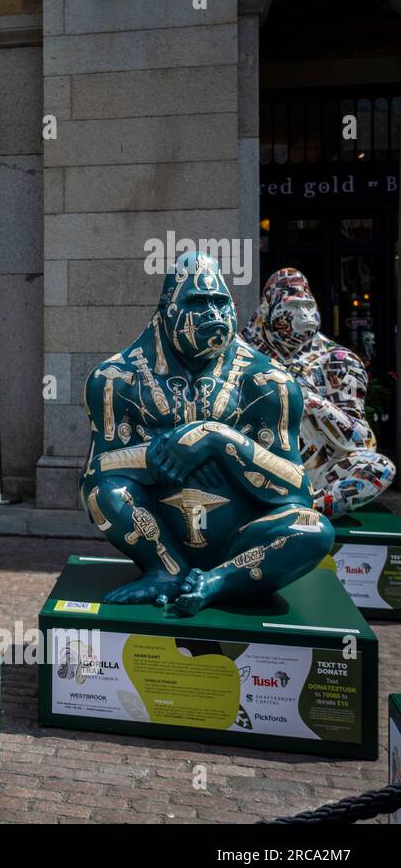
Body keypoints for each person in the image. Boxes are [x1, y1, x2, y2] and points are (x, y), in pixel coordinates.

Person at [79, 252, 332, 615]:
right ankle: (166, 571)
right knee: (107, 495)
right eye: (197, 302)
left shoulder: (271, 382)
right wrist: (160, 454)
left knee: (314, 529)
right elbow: (94, 475)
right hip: (160, 536)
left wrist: (218, 439)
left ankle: (218, 582)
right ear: (167, 308)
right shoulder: (114, 378)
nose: (213, 314)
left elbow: (297, 490)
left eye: (220, 302)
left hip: (244, 543)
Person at [240, 267, 395, 517]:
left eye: (308, 306)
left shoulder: (337, 360)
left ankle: (305, 509)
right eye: (294, 307)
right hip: (255, 468)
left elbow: (361, 440)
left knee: (380, 468)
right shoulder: (239, 352)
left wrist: (313, 401)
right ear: (268, 309)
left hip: (316, 474)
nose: (305, 316)